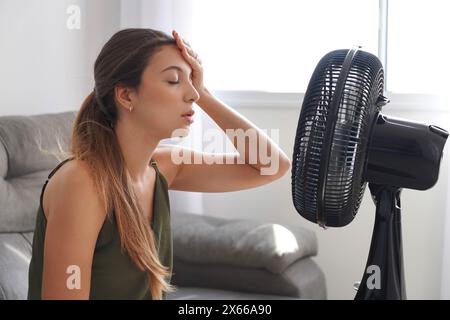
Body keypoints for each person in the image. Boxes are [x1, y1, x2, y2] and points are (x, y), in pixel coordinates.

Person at [27, 28, 291, 300]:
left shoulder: (165, 166)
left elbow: (272, 166)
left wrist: (206, 94)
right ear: (127, 96)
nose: (193, 95)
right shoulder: (82, 183)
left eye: (192, 81)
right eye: (174, 80)